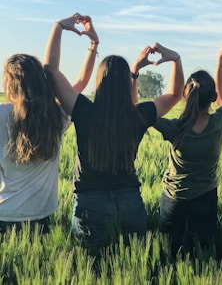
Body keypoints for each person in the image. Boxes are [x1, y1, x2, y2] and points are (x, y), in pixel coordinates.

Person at [43, 13, 184, 255]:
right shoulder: (139, 115)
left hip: (90, 204)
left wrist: (58, 27)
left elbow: (50, 71)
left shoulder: (84, 110)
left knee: (93, 270)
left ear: (99, 82)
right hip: (131, 202)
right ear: (125, 83)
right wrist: (175, 59)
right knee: (135, 267)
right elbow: (175, 93)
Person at [154, 34, 222, 256]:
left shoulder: (175, 128)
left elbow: (142, 113)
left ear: (185, 96)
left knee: (168, 254)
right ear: (213, 98)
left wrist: (136, 71)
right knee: (203, 254)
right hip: (206, 198)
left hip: (174, 198)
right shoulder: (220, 121)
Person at [0, 15, 99, 234]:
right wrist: (92, 44)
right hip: (40, 215)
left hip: (4, 213)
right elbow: (80, 83)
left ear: (9, 84)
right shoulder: (55, 116)